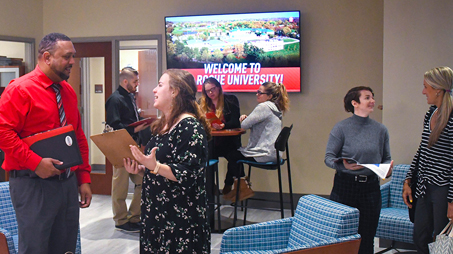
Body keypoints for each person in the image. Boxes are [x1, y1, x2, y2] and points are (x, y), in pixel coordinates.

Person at [0, 33, 92, 254]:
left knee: (66, 247)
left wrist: (84, 178)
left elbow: (78, 136)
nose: (72, 62)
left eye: (73, 56)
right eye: (66, 57)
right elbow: (3, 131)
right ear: (47, 57)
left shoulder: (67, 91)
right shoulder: (20, 90)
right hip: (33, 185)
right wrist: (35, 162)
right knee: (36, 248)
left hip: (67, 184)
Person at [123, 69, 211, 253]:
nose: (154, 90)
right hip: (157, 217)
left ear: (174, 91)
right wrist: (141, 169)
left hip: (180, 222)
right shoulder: (163, 124)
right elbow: (160, 168)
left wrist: (153, 166)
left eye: (160, 85)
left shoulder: (190, 127)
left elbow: (188, 174)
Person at [324, 86, 392, 254]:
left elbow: (386, 158)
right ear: (354, 103)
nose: (372, 101)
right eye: (367, 97)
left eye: (373, 97)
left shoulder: (380, 130)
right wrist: (343, 165)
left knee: (367, 236)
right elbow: (328, 158)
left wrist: (387, 169)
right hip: (345, 186)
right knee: (343, 236)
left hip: (370, 188)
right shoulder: (341, 128)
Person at [402, 67, 453, 254]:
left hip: (443, 189)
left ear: (438, 89)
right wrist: (408, 180)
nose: (423, 92)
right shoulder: (431, 112)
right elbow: (422, 150)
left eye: (426, 87)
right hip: (423, 186)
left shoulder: (451, 116)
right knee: (420, 236)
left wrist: (452, 201)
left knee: (441, 240)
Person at [224, 82, 289, 202]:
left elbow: (243, 125)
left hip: (264, 153)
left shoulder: (264, 107)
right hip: (274, 154)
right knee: (234, 154)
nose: (257, 94)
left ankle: (242, 187)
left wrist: (243, 118)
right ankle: (240, 187)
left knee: (232, 154)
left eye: (260, 92)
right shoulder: (275, 108)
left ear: (269, 96)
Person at [105, 67, 150, 232]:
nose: (137, 84)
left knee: (142, 180)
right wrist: (134, 129)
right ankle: (121, 220)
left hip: (133, 145)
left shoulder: (130, 97)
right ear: (125, 81)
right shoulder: (115, 99)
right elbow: (114, 125)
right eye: (135, 81)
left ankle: (135, 216)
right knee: (120, 185)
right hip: (120, 145)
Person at [199, 77, 241, 195]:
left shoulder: (230, 100)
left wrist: (223, 125)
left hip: (228, 142)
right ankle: (211, 188)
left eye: (213, 89)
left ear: (218, 87)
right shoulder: (201, 103)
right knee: (205, 158)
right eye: (207, 91)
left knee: (235, 157)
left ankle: (229, 183)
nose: (211, 93)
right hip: (211, 142)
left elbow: (236, 122)